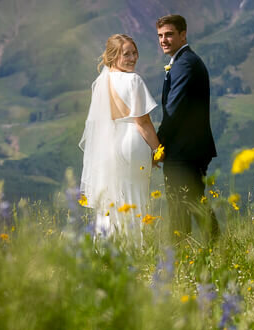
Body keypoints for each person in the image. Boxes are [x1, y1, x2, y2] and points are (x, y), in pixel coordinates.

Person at [78, 33, 161, 243]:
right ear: (114, 56)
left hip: (110, 143)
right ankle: (134, 246)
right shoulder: (133, 80)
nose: (133, 58)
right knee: (135, 195)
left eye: (135, 53)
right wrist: (159, 150)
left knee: (112, 196)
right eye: (127, 54)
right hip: (132, 141)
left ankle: (107, 246)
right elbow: (143, 123)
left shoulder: (101, 82)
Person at [155, 14, 219, 244]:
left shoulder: (185, 64)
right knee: (191, 203)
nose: (164, 40)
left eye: (169, 34)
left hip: (185, 151)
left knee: (182, 207)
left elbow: (173, 111)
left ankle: (181, 258)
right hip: (189, 148)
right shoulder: (184, 61)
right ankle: (213, 249)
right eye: (161, 36)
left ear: (183, 34)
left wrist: (157, 147)